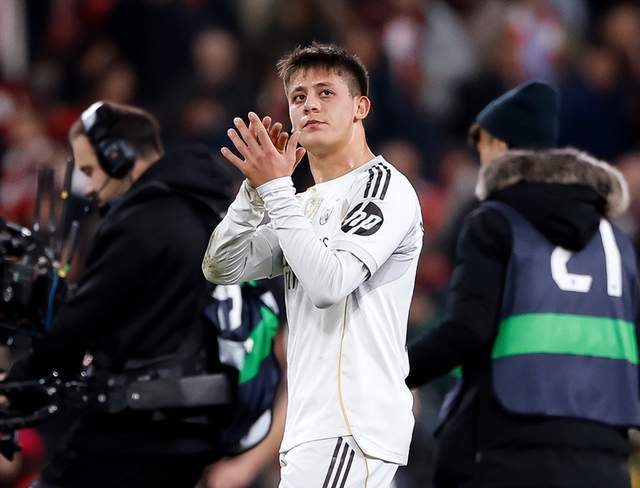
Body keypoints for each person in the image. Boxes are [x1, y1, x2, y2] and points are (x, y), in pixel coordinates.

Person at [202, 42, 423, 487]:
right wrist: (254, 192)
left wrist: (276, 189)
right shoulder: (301, 205)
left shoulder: (384, 188)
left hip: (351, 425)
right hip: (314, 429)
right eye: (298, 96)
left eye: (326, 93)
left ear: (360, 107)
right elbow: (222, 267)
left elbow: (329, 284)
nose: (309, 105)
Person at [406, 92, 640, 485]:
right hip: (604, 457)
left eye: (482, 147)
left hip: (505, 450)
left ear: (499, 145)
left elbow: (467, 330)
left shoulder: (494, 221)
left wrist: (395, 371)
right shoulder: (616, 241)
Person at [5, 101, 236, 488]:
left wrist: (15, 389)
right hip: (197, 420)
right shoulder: (211, 207)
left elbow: (81, 322)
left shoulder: (143, 218)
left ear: (119, 155)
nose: (90, 188)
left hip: (138, 421)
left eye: (90, 171)